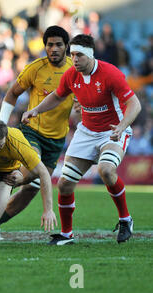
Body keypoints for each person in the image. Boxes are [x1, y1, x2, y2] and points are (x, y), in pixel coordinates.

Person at [22, 34, 142, 244]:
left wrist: (122, 127)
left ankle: (125, 219)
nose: (74, 59)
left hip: (112, 130)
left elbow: (135, 104)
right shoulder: (71, 75)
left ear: (90, 55)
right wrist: (36, 110)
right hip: (86, 132)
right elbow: (58, 96)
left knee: (106, 170)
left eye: (78, 55)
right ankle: (67, 235)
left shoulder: (110, 73)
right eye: (72, 54)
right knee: (66, 183)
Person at [0, 25, 78, 240]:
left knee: (31, 188)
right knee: (27, 170)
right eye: (50, 45)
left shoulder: (75, 69)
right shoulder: (35, 68)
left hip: (56, 140)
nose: (54, 49)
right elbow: (11, 94)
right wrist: (1, 126)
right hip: (32, 132)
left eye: (58, 44)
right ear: (45, 47)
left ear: (66, 46)